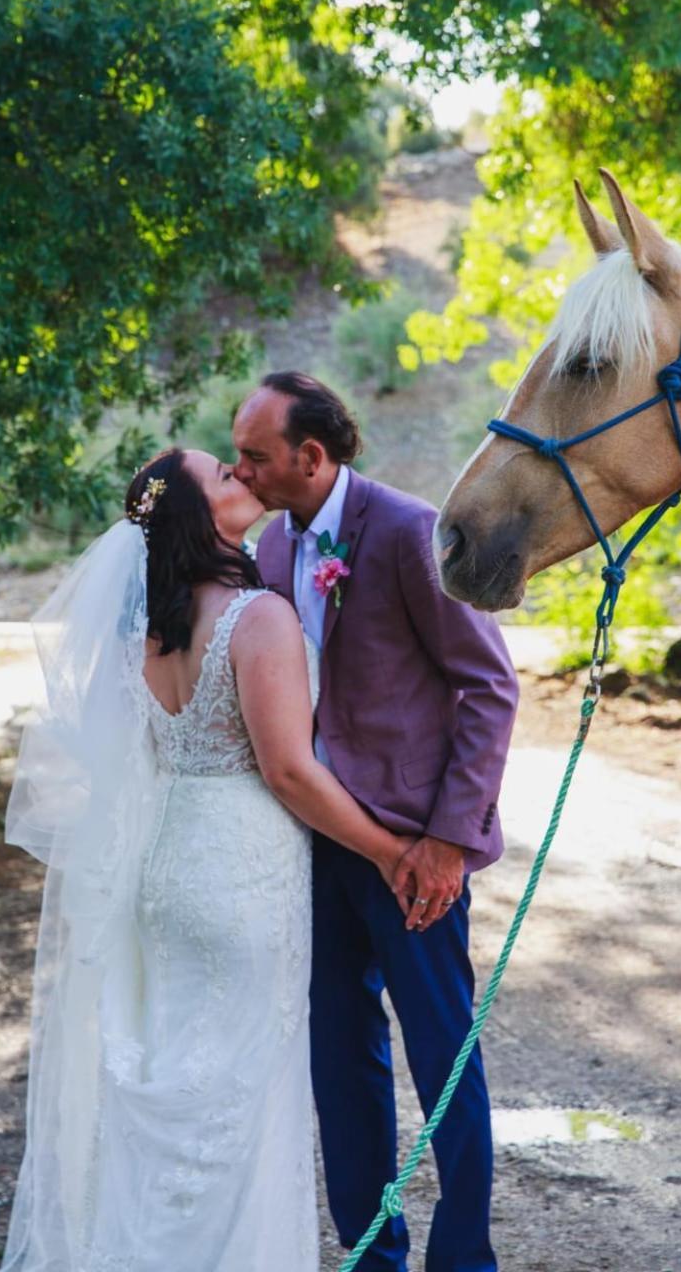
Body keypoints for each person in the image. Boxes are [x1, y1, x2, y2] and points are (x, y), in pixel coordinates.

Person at [0, 445, 414, 1272]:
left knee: (172, 1085)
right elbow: (290, 769)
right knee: (239, 1104)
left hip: (165, 869)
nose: (241, 473)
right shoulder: (256, 617)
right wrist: (388, 850)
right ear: (200, 515)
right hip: (242, 878)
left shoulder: (147, 629)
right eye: (222, 474)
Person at [234, 372, 520, 1272]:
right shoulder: (272, 550)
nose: (241, 470)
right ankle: (370, 1256)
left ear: (310, 458)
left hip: (414, 857)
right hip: (314, 847)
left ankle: (464, 1258)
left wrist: (445, 843)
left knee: (444, 1058)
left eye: (254, 455)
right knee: (341, 1066)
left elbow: (489, 685)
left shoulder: (403, 530)